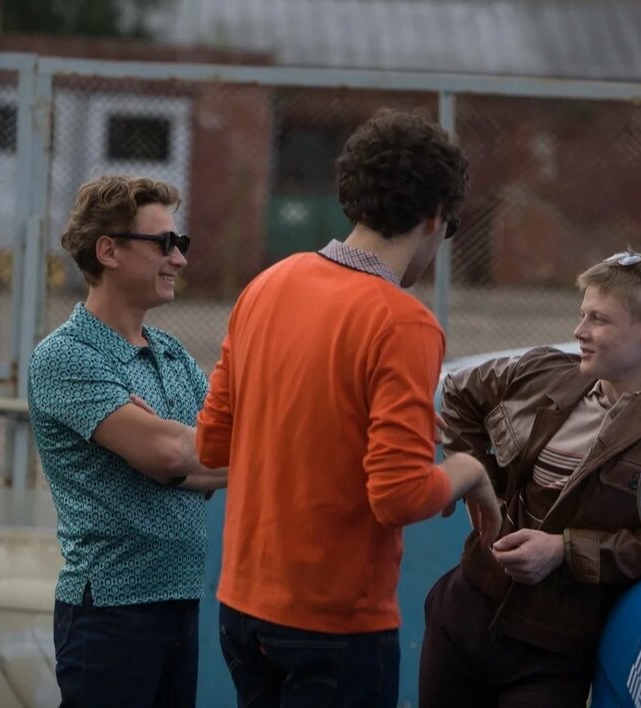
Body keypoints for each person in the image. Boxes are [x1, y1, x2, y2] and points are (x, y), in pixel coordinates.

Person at [196, 108, 501, 708]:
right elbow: (399, 496)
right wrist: (469, 471)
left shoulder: (267, 285)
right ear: (435, 217)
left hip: (242, 608)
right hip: (335, 626)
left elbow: (212, 445)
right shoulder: (404, 322)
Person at [419, 251, 641, 707]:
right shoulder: (545, 372)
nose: (579, 331)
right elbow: (457, 393)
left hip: (554, 653)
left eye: (599, 319)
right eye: (582, 314)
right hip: (466, 608)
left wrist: (563, 550)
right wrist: (481, 486)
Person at [28, 175, 226, 708]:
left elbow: (212, 455)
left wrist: (175, 460)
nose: (179, 258)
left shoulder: (171, 352)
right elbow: (177, 452)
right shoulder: (66, 356)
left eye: (180, 243)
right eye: (164, 243)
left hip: (181, 603)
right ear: (109, 251)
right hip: (111, 613)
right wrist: (175, 455)